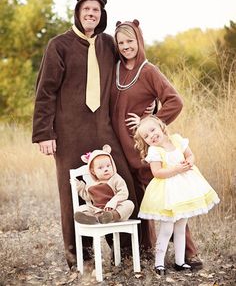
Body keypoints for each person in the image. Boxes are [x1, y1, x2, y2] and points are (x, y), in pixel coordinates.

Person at [32, 0, 140, 268]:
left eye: (97, 9)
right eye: (87, 8)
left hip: (103, 129)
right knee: (74, 194)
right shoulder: (59, 45)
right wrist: (44, 133)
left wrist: (147, 106)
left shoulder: (108, 44)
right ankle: (81, 257)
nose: (92, 13)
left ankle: (127, 253)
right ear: (78, 12)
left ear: (102, 15)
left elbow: (128, 67)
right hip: (69, 132)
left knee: (123, 183)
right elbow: (45, 91)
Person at [110, 19, 203, 268]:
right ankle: (148, 250)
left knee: (167, 201)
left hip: (147, 151)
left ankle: (190, 254)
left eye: (130, 41)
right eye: (121, 42)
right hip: (121, 149)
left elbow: (175, 101)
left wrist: (148, 122)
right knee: (141, 201)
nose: (126, 46)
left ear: (139, 40)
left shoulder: (149, 70)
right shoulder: (115, 69)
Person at [133, 115, 220, 275]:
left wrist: (190, 162)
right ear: (145, 141)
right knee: (166, 229)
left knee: (181, 227)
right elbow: (157, 172)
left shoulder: (177, 140)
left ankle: (180, 261)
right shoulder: (155, 150)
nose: (151, 135)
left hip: (184, 189)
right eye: (146, 136)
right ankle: (159, 264)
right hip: (168, 192)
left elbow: (190, 155)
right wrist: (176, 170)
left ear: (161, 126)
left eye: (152, 130)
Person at [73, 144, 134, 224]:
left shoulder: (115, 178)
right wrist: (79, 186)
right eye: (101, 168)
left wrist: (113, 202)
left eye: (108, 166)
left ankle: (111, 216)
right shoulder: (91, 183)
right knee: (81, 209)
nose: (106, 169)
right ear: (93, 171)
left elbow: (123, 193)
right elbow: (87, 197)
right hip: (96, 210)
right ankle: (91, 217)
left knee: (129, 204)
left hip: (114, 208)